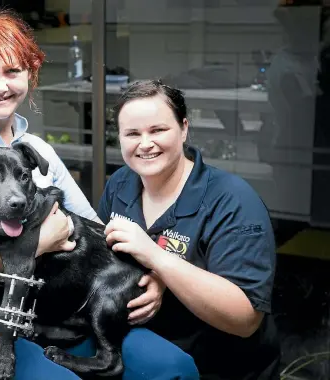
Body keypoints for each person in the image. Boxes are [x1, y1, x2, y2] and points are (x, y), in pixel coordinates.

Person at [0, 10, 197, 380]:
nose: (1, 85)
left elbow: (93, 228)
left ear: (30, 73)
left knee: (174, 369)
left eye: (13, 71)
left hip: (50, 313)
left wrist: (152, 274)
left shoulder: (36, 149)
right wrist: (38, 244)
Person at [99, 79, 281, 379]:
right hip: (148, 359)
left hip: (220, 367)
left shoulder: (232, 201)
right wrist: (152, 277)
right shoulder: (120, 183)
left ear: (184, 128)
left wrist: (158, 260)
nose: (145, 144)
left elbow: (245, 318)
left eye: (158, 130)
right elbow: (104, 261)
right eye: (132, 133)